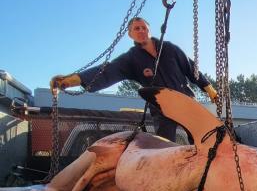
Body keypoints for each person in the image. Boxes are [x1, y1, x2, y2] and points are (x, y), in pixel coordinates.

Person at [50, 17, 218, 143]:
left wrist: (209, 88)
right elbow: (108, 71)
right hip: (162, 108)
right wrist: (72, 80)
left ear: (149, 30)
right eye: (136, 28)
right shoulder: (131, 59)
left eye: (144, 27)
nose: (141, 30)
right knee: (164, 146)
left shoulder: (169, 49)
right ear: (130, 34)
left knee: (204, 138)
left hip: (185, 100)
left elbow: (191, 68)